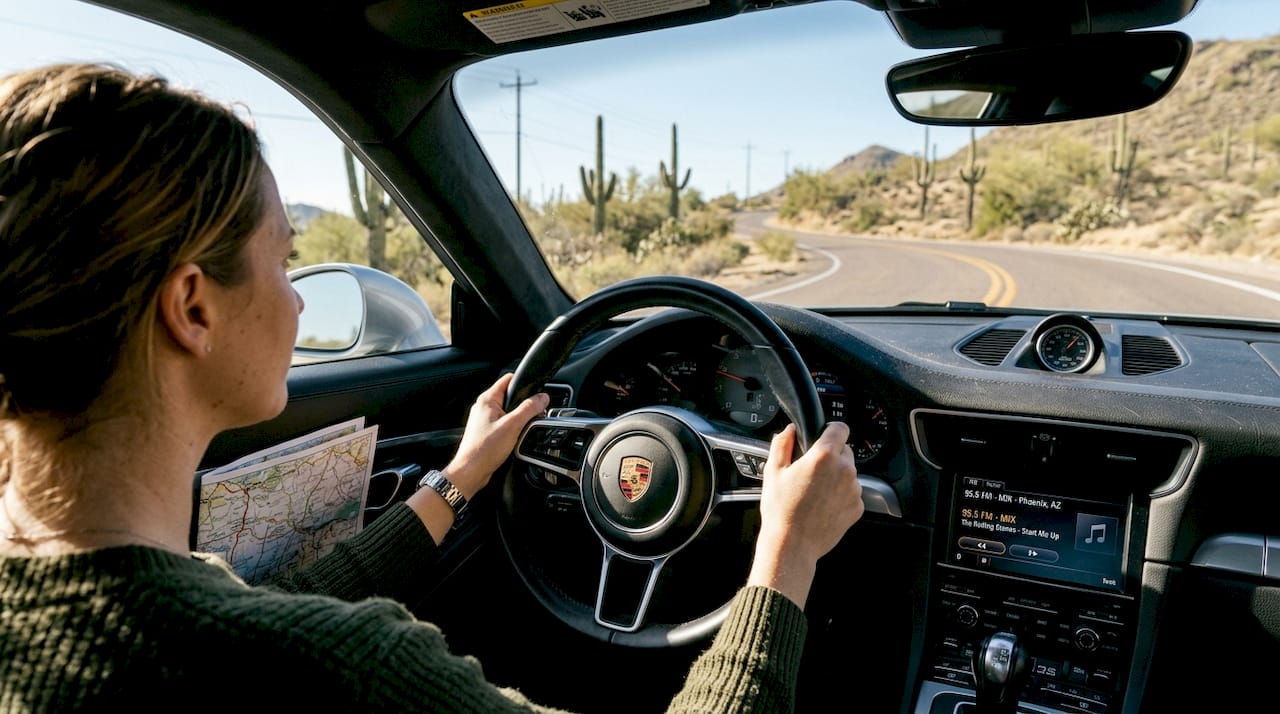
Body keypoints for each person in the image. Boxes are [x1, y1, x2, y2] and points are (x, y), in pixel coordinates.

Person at [0, 63, 865, 712]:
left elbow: (268, 611)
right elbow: (278, 634)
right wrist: (785, 555)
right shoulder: (343, 668)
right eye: (283, 261)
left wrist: (459, 480)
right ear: (192, 306)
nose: (299, 298)